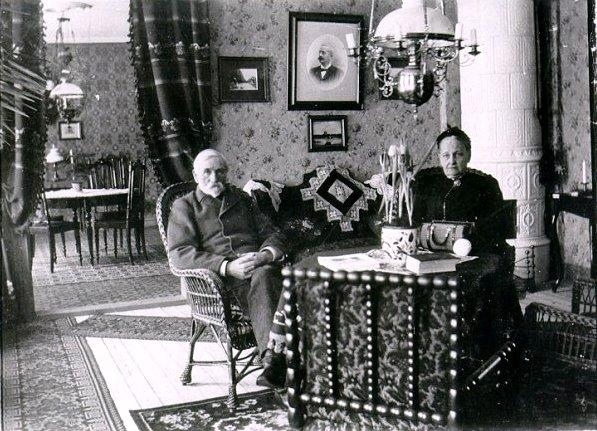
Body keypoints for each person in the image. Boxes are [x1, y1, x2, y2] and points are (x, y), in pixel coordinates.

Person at [167, 149, 288, 389]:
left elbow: (272, 233)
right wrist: (227, 267)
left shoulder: (241, 198)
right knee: (268, 279)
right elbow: (179, 254)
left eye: (220, 171)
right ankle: (274, 359)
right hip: (222, 281)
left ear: (227, 172)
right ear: (195, 175)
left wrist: (265, 255)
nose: (214, 178)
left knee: (296, 278)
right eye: (207, 172)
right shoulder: (185, 206)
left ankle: (282, 358)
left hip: (261, 266)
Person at [413, 127, 523, 358]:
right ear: (439, 157)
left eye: (458, 154)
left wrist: (468, 240)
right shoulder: (427, 183)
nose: (451, 161)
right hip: (434, 257)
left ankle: (476, 350)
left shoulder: (485, 185)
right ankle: (434, 345)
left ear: (468, 154)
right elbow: (417, 222)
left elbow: (494, 229)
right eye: (446, 155)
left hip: (474, 255)